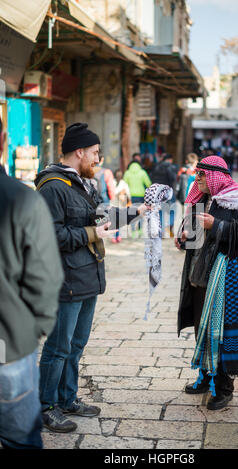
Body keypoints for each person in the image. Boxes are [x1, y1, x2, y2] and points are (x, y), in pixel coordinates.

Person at [35, 123, 149, 433]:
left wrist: (137, 212)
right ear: (79, 152)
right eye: (95, 153)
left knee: (76, 344)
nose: (98, 159)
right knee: (58, 346)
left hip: (88, 277)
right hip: (64, 280)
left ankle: (67, 398)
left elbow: (102, 219)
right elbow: (48, 234)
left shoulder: (85, 184)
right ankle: (45, 406)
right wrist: (89, 233)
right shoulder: (53, 186)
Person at [175, 155, 238, 411]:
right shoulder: (200, 198)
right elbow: (194, 236)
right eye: (197, 174)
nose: (197, 179)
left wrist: (218, 225)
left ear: (216, 176)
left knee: (221, 334)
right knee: (201, 331)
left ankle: (224, 388)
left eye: (201, 175)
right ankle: (205, 377)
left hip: (222, 278)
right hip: (199, 276)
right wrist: (184, 239)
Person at [0, 119, 64, 449]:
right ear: (2, 142)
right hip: (7, 344)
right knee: (19, 439)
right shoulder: (22, 199)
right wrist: (33, 329)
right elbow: (46, 277)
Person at [123, 157, 152, 238]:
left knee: (131, 213)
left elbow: (124, 184)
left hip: (130, 196)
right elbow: (148, 183)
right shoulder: (142, 172)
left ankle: (132, 231)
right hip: (141, 195)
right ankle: (139, 230)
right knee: (141, 212)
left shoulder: (127, 172)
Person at [151, 154, 177, 237]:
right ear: (169, 160)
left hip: (159, 192)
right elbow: (173, 179)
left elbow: (152, 178)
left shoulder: (156, 167)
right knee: (172, 210)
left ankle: (161, 232)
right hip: (169, 191)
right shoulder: (171, 167)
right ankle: (170, 225)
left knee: (160, 212)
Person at [111, 168, 131, 243]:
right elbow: (128, 194)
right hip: (120, 205)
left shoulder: (112, 182)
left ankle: (115, 236)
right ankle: (118, 236)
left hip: (113, 204)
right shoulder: (124, 183)